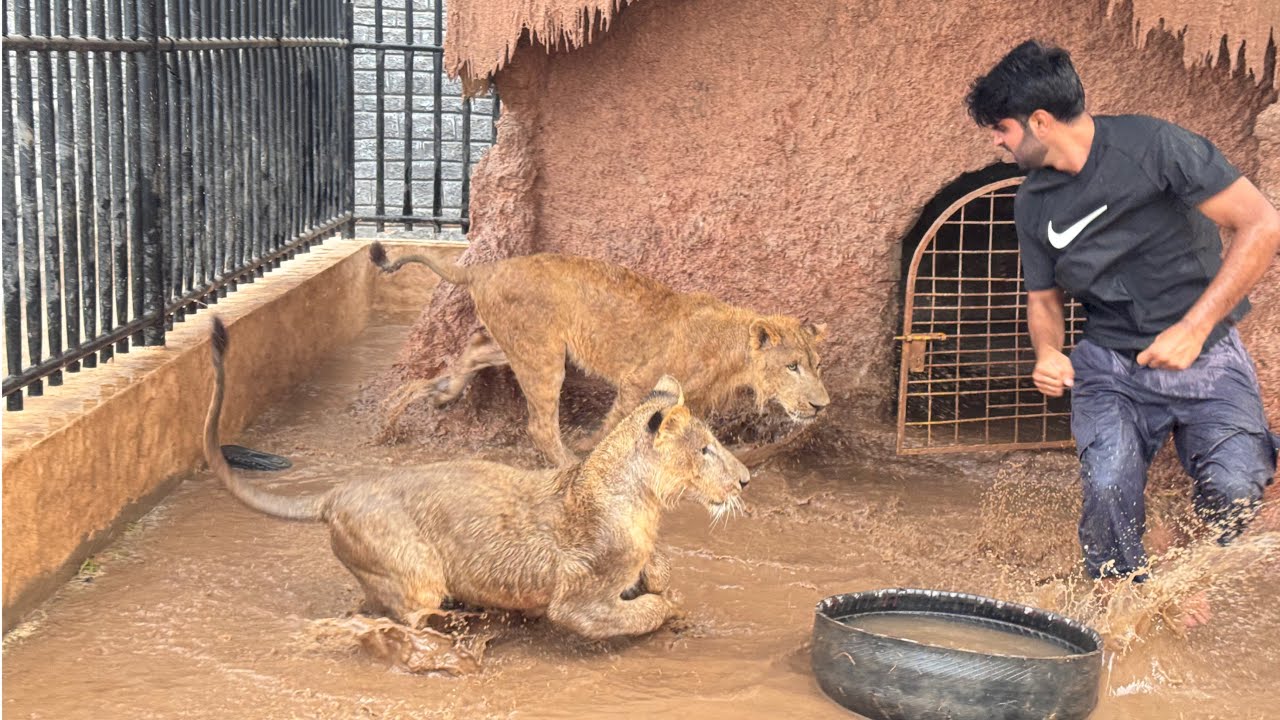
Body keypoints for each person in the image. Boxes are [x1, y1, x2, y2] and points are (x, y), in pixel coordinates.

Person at [964, 40, 1280, 589]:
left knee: (1237, 486)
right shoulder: (1034, 201)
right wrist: (1047, 351)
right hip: (1110, 363)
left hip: (1206, 353)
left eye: (1002, 128)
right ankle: (1120, 600)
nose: (996, 140)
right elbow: (1044, 299)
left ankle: (1181, 568)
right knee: (1110, 484)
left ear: (1039, 121)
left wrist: (1194, 327)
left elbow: (1262, 225)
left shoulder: (1155, 146)